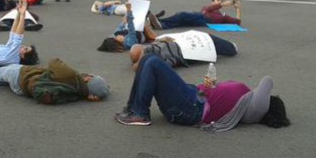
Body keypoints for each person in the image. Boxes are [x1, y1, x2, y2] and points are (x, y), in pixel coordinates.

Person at [114, 53, 290, 131]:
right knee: (147, 58)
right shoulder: (247, 100)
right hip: (193, 96)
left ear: (268, 104)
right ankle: (133, 108)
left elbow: (268, 81)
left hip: (191, 108)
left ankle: (141, 114)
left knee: (153, 62)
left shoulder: (255, 109)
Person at [0, 57, 110, 105]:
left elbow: (54, 62)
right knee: (2, 80)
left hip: (23, 76)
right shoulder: (76, 94)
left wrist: (75, 72)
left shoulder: (72, 76)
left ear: (89, 79)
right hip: (24, 90)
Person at [129, 32, 238, 71]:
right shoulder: (156, 58)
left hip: (184, 43)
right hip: (186, 51)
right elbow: (169, 63)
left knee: (206, 38)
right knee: (209, 41)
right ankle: (231, 47)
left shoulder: (153, 47)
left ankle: (230, 47)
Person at [152, 0, 242, 30]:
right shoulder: (207, 8)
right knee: (181, 18)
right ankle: (160, 23)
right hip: (200, 17)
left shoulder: (223, 15)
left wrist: (237, 8)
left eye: (221, 0)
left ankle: (159, 22)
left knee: (182, 18)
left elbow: (237, 23)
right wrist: (224, 4)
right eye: (218, 0)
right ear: (213, 2)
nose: (219, 2)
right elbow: (207, 10)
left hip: (206, 22)